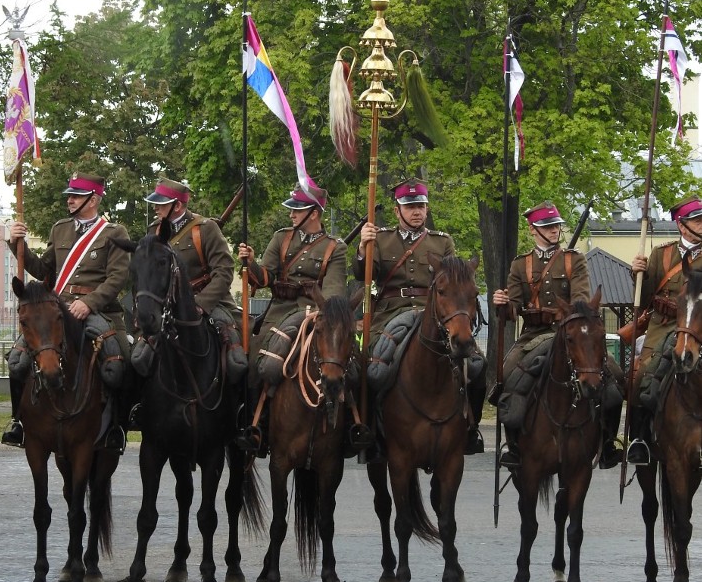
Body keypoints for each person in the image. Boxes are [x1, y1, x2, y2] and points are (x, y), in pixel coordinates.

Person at [1, 174, 132, 451]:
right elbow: (41, 269)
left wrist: (90, 303)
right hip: (58, 308)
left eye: (75, 195)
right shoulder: (60, 229)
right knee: (18, 360)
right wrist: (16, 243)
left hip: (98, 310)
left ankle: (117, 428)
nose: (69, 199)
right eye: (69, 195)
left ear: (93, 200)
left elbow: (118, 278)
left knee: (119, 361)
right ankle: (18, 423)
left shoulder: (114, 233)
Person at [354, 178, 485, 455]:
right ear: (397, 210)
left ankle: (470, 427)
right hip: (391, 312)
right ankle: (367, 428)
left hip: (434, 314)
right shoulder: (381, 238)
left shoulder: (442, 241)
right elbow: (363, 274)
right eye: (410, 206)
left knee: (475, 364)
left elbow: (454, 280)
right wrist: (363, 247)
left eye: (421, 206)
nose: (417, 211)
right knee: (370, 367)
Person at [492, 201, 621, 469]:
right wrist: (503, 304)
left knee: (614, 376)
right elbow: (513, 310)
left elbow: (582, 300)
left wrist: (570, 318)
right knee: (507, 376)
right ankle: (514, 446)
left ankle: (608, 443)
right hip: (533, 334)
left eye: (556, 226)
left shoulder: (575, 260)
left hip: (570, 332)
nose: (554, 230)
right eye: (547, 226)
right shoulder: (520, 265)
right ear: (533, 230)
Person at [237, 182, 351, 452]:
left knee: (350, 365)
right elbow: (265, 277)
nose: (291, 214)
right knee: (253, 359)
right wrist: (250, 262)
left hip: (315, 314)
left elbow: (333, 294)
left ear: (314, 213)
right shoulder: (281, 238)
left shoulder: (336, 247)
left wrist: (316, 313)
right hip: (279, 312)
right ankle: (257, 422)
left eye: (297, 210)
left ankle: (348, 425)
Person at [134, 177, 246, 382]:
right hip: (166, 303)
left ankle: (243, 409)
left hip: (206, 301)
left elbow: (224, 271)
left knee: (237, 360)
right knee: (138, 358)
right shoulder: (154, 230)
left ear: (177, 205)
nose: (156, 208)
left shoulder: (205, 228)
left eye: (161, 204)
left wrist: (202, 304)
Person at [627, 195, 702, 465]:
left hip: (698, 326)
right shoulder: (662, 254)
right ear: (682, 225)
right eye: (697, 220)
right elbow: (646, 297)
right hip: (663, 325)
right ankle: (639, 438)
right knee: (642, 372)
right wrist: (639, 275)